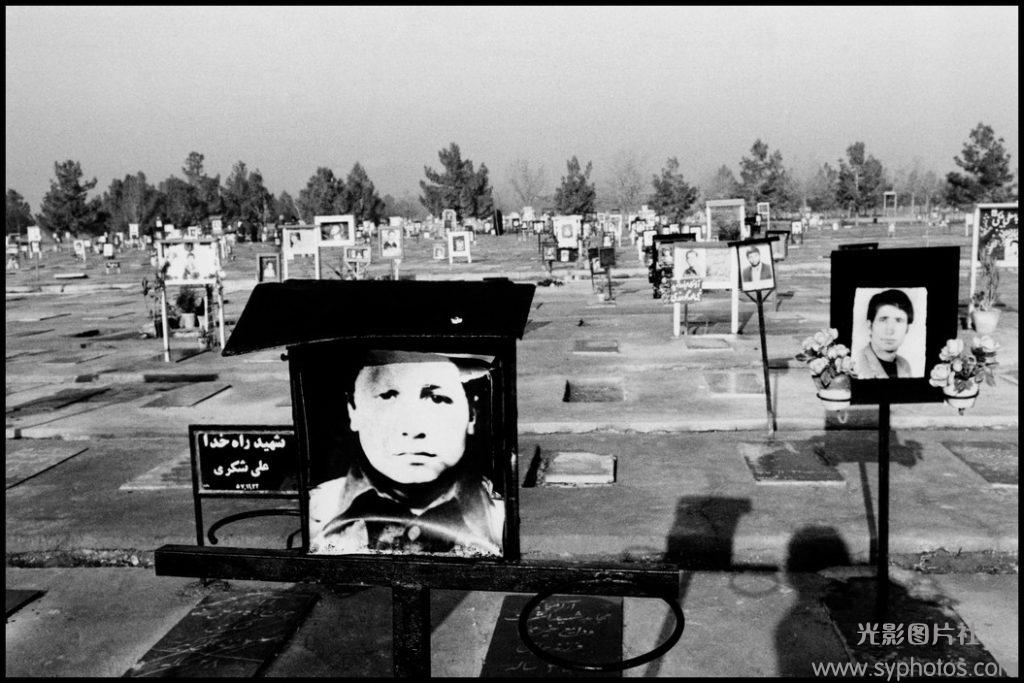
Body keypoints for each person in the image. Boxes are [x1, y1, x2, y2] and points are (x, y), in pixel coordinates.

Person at [308, 350, 505, 556]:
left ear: (472, 413)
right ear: (353, 410)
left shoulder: (501, 519)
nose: (413, 429)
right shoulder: (316, 510)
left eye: (437, 399)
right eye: (387, 396)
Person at [854, 289, 916, 379]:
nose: (890, 330)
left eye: (898, 320)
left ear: (907, 328)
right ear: (870, 325)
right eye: (883, 320)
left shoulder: (905, 366)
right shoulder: (856, 364)